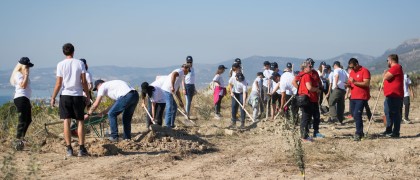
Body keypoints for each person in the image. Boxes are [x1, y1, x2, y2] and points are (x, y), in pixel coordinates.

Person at [50, 43, 90, 157]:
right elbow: (83, 81)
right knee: (80, 122)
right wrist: (87, 95)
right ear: (73, 51)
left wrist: (53, 97)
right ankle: (82, 149)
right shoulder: (80, 63)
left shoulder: (60, 64)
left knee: (66, 122)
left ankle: (69, 149)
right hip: (77, 95)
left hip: (65, 95)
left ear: (63, 52)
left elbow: (58, 83)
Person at [294, 61, 323, 141]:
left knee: (314, 116)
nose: (311, 67)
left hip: (313, 98)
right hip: (308, 98)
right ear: (305, 68)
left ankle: (311, 133)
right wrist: (316, 90)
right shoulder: (305, 75)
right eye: (310, 66)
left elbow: (318, 82)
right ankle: (304, 135)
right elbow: (309, 87)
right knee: (306, 117)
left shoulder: (313, 73)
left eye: (311, 66)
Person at [10, 57, 34, 151]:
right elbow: (23, 86)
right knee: (22, 120)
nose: (28, 68)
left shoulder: (23, 74)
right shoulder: (18, 74)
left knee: (28, 119)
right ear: (22, 66)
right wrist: (26, 74)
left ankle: (21, 139)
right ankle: (18, 141)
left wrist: (26, 74)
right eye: (27, 66)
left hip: (25, 99)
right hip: (21, 99)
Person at [347, 58, 371, 141]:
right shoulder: (352, 72)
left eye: (352, 67)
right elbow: (350, 83)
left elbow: (366, 83)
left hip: (361, 97)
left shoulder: (365, 71)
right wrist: (347, 85)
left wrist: (354, 82)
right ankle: (360, 132)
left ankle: (358, 133)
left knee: (357, 114)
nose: (351, 69)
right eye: (350, 67)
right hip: (353, 97)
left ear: (357, 64)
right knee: (354, 114)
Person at [382, 54, 404, 138]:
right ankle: (389, 130)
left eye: (387, 61)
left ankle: (396, 132)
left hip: (395, 95)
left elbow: (386, 77)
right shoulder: (393, 68)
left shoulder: (396, 67)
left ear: (390, 60)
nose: (387, 62)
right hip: (389, 95)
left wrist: (385, 73)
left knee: (395, 113)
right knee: (388, 112)